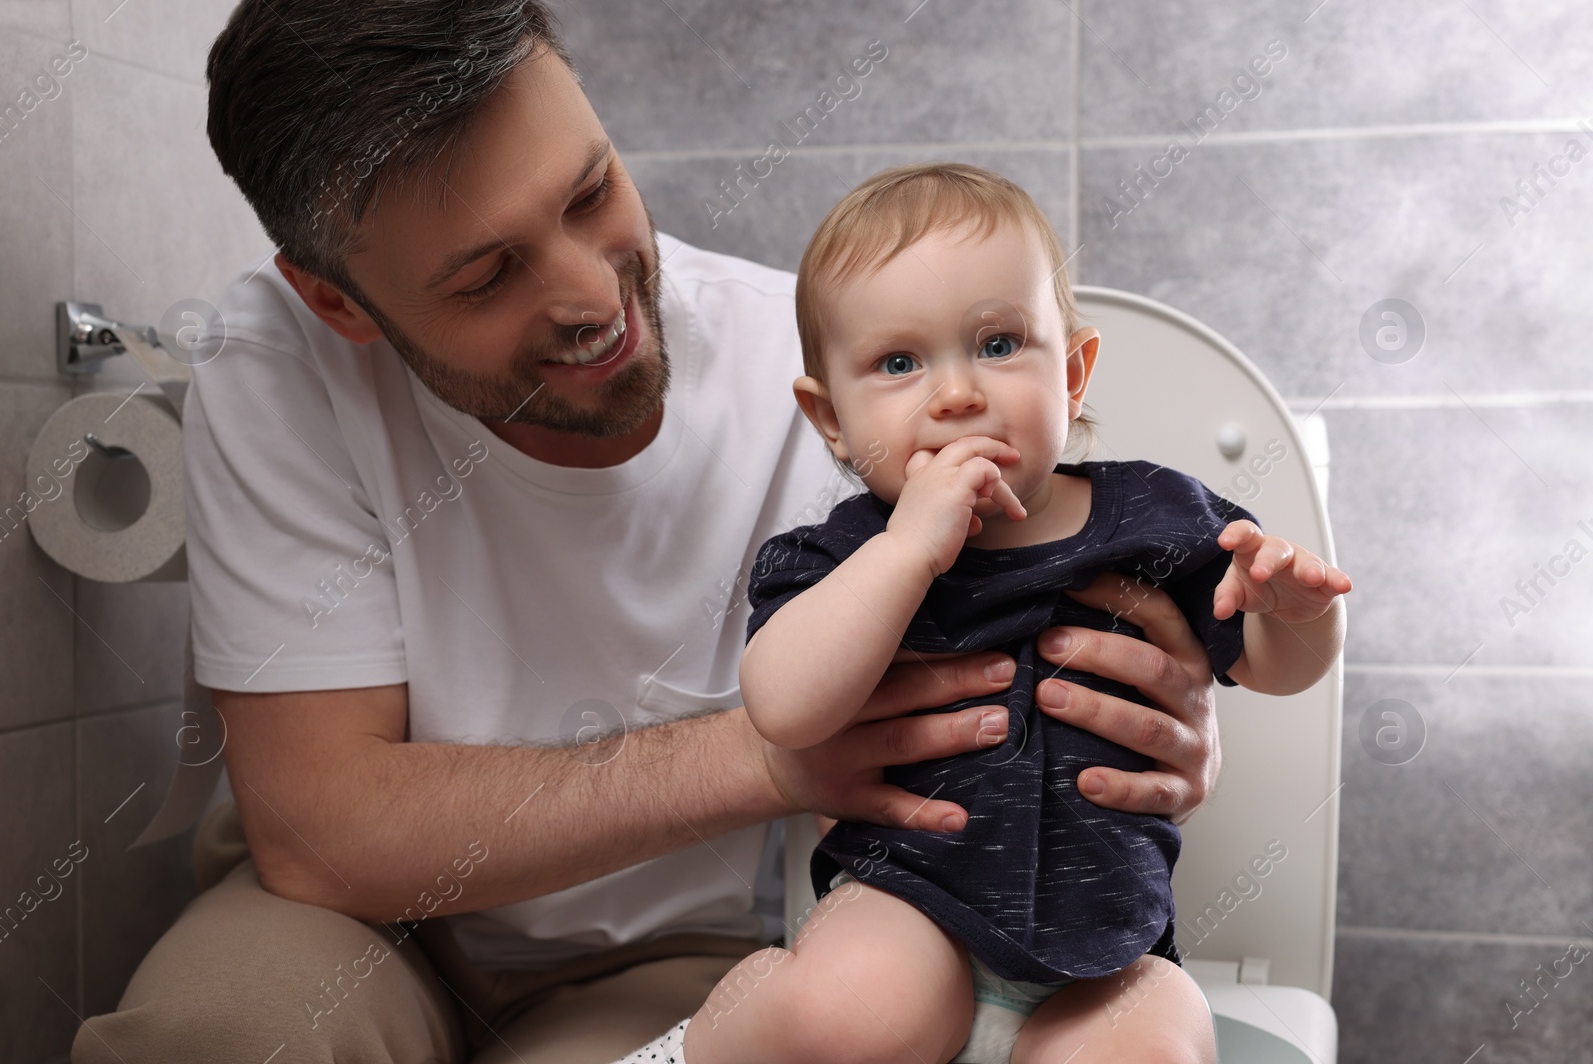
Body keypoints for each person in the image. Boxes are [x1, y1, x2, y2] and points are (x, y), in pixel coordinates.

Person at [74, 7, 1232, 1064]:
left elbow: (1045, 620)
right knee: (209, 1041)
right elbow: (322, 831)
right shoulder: (279, 364)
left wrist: (1157, 724)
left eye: (590, 194)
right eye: (487, 276)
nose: (593, 297)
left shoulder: (833, 390)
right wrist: (768, 757)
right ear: (337, 300)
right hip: (347, 915)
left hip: (666, 949)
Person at [613, 164, 1350, 1064]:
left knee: (1159, 1038)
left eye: (998, 345)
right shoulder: (842, 556)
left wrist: (1299, 613)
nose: (957, 392)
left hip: (1105, 956)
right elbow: (785, 706)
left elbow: (1275, 667)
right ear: (832, 421)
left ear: (1073, 372)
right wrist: (909, 551)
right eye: (897, 363)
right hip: (906, 912)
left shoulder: (1161, 517)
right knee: (856, 1010)